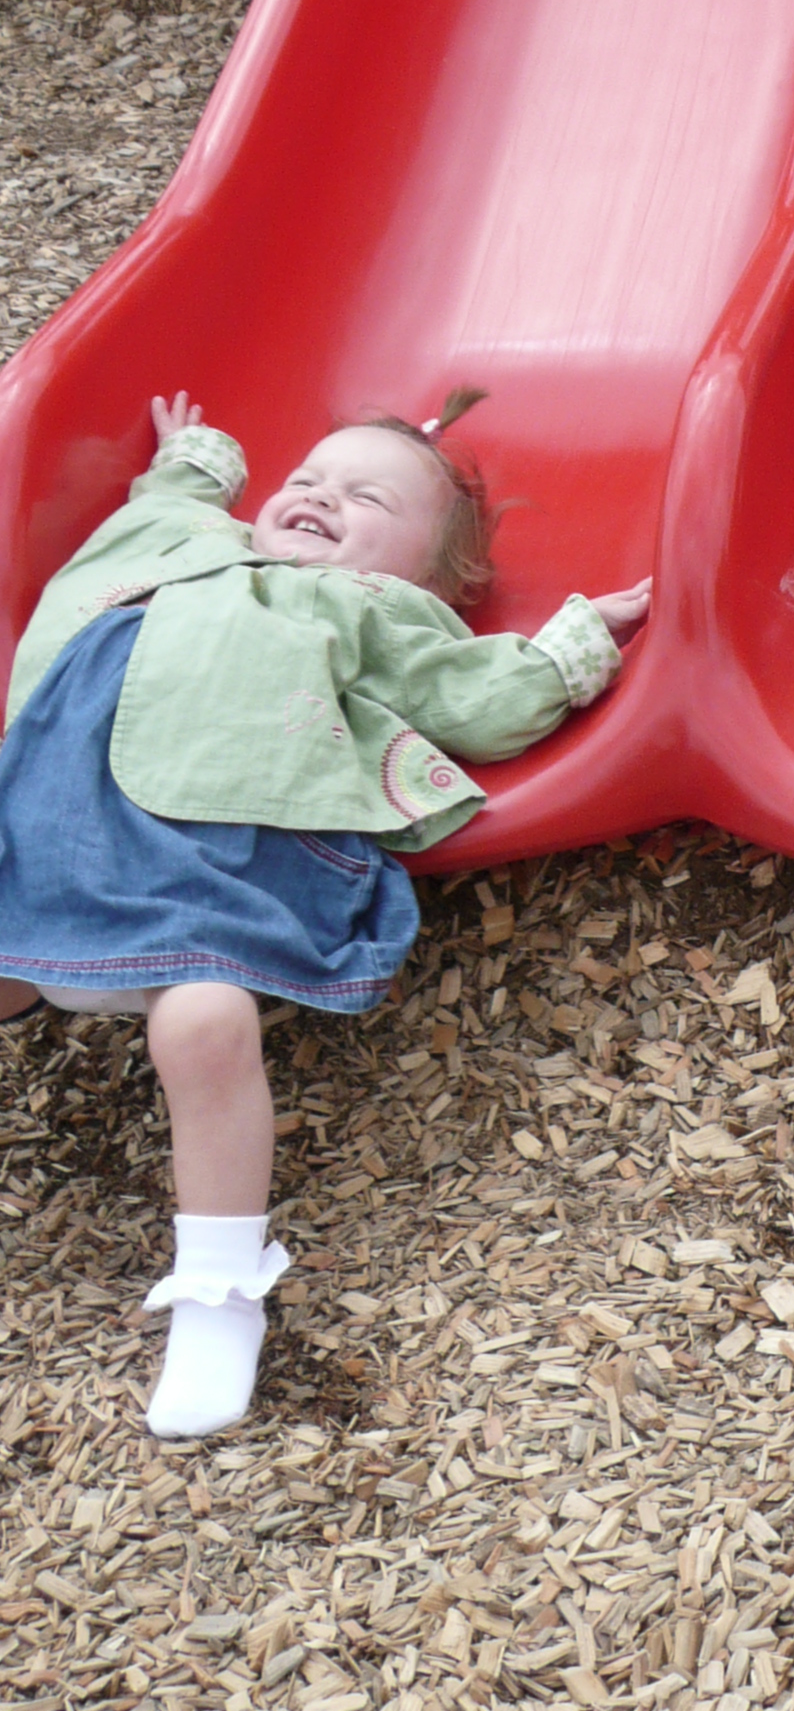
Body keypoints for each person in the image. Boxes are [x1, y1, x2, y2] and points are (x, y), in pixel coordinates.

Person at [0, 394, 650, 1440]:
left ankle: (219, 1293)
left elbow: (473, 697)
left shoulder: (357, 607)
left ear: (421, 578)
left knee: (202, 1025)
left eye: (368, 500)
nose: (320, 497)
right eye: (307, 479)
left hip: (204, 863)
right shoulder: (185, 539)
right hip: (44, 828)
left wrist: (571, 644)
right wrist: (197, 461)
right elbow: (156, 503)